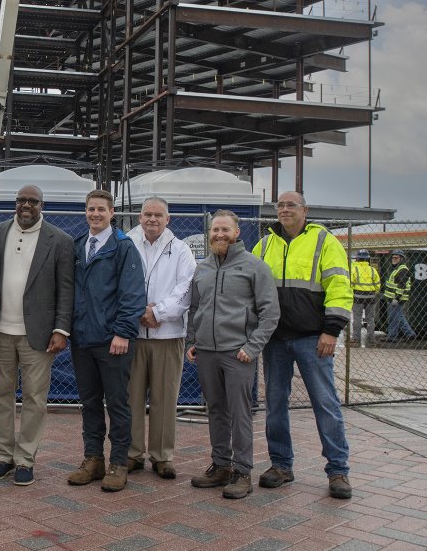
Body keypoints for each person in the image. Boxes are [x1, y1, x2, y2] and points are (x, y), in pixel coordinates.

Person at [252, 191, 354, 499]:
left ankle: (338, 471)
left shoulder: (324, 241)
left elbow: (339, 285)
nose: (284, 210)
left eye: (291, 205)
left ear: (304, 210)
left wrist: (332, 331)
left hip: (313, 339)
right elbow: (250, 283)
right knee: (275, 405)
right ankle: (281, 465)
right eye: (280, 206)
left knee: (325, 404)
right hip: (275, 340)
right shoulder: (266, 242)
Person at [186, 211, 279, 499]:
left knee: (240, 414)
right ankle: (221, 465)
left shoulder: (254, 267)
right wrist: (192, 340)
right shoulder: (202, 267)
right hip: (206, 353)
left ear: (237, 233)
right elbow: (195, 308)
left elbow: (270, 313)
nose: (219, 235)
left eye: (225, 229)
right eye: (215, 230)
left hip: (237, 354)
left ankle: (242, 471)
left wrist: (252, 348)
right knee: (216, 410)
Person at [0, 184, 74, 486]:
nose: (26, 205)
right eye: (21, 200)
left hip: (38, 335)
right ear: (15, 203)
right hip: (0, 331)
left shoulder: (59, 240)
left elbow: (66, 289)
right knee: (1, 396)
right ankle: (4, 455)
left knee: (35, 398)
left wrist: (62, 329)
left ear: (41, 204)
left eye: (32, 201)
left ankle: (25, 459)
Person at [66, 190, 145, 493]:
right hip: (83, 339)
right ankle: (93, 459)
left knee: (117, 403)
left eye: (101, 209)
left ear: (112, 212)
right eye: (90, 209)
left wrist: (123, 332)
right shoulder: (78, 246)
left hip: (112, 341)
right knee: (89, 404)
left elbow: (133, 293)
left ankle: (119, 463)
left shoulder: (124, 248)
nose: (95, 214)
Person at [126, 197, 196, 480]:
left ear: (168, 219)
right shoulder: (127, 244)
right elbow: (119, 283)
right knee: (130, 398)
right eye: (147, 214)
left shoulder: (180, 250)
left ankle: (161, 456)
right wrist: (136, 312)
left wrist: (159, 312)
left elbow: (187, 287)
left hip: (168, 335)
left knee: (165, 399)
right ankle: (131, 453)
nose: (152, 219)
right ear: (139, 217)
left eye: (158, 215)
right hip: (132, 335)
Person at [350, 249, 381, 347]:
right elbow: (377, 284)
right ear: (368, 259)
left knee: (357, 318)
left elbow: (350, 283)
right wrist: (374, 292)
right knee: (370, 319)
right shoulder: (373, 270)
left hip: (357, 296)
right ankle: (371, 339)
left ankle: (356, 338)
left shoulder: (354, 269)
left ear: (357, 259)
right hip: (371, 297)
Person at [383, 251, 416, 343]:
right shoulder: (396, 269)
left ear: (401, 259)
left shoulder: (402, 270)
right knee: (399, 316)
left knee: (393, 318)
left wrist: (396, 298)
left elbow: (402, 285)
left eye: (396, 258)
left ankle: (392, 336)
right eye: (393, 258)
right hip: (393, 298)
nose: (393, 259)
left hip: (397, 299)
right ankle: (410, 334)